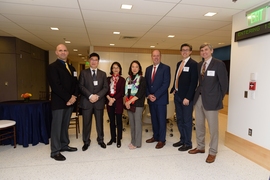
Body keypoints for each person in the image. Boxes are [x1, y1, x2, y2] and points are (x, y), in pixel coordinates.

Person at [188, 43, 228, 163]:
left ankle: (213, 152)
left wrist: (218, 98)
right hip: (199, 99)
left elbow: (224, 84)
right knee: (199, 125)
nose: (204, 52)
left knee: (213, 128)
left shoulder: (219, 64)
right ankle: (200, 147)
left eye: (206, 50)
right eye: (201, 50)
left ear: (211, 51)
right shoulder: (200, 64)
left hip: (212, 100)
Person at [47, 44, 79, 161]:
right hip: (59, 103)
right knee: (56, 127)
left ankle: (64, 145)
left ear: (68, 52)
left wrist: (74, 96)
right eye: (60, 50)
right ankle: (55, 151)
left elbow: (76, 84)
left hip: (70, 103)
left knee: (64, 126)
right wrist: (68, 98)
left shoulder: (72, 68)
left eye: (65, 50)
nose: (63, 52)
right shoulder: (52, 67)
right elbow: (56, 86)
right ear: (56, 52)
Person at [170, 43, 198, 151]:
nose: (184, 52)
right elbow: (177, 77)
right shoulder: (179, 63)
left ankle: (188, 143)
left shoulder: (193, 64)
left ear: (190, 51)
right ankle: (182, 139)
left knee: (187, 121)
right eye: (182, 50)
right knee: (179, 119)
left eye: (187, 50)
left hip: (186, 98)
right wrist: (173, 88)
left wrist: (188, 97)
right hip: (177, 95)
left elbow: (193, 83)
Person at [79, 52, 108, 151]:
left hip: (99, 102)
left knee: (100, 123)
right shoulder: (83, 73)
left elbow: (105, 87)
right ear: (89, 61)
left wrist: (97, 96)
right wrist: (90, 96)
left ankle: (100, 140)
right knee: (86, 123)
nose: (94, 62)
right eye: (92, 60)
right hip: (87, 102)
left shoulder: (103, 74)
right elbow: (81, 86)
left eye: (96, 60)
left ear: (98, 62)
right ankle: (86, 141)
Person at [145, 50, 171, 149]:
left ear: (160, 56)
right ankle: (155, 136)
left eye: (158, 56)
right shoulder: (148, 69)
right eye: (154, 56)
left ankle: (162, 140)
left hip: (160, 99)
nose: (156, 57)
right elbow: (146, 84)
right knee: (154, 119)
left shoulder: (166, 68)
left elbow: (166, 84)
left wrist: (155, 95)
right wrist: (148, 95)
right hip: (151, 100)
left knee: (161, 120)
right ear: (151, 57)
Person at [125, 60, 146, 150]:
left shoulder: (142, 79)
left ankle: (137, 143)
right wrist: (126, 102)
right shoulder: (128, 79)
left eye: (136, 67)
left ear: (139, 68)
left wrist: (130, 101)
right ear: (130, 68)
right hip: (129, 104)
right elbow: (126, 92)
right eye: (133, 66)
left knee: (137, 124)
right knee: (132, 124)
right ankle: (133, 141)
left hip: (138, 104)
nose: (134, 68)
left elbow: (140, 93)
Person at [106, 62, 125, 148]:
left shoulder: (122, 80)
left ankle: (119, 139)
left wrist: (113, 99)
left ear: (120, 69)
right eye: (114, 68)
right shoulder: (107, 79)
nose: (115, 69)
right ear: (111, 69)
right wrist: (109, 99)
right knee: (112, 122)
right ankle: (113, 138)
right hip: (109, 103)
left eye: (117, 67)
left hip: (118, 102)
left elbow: (122, 92)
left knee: (119, 122)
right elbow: (105, 90)